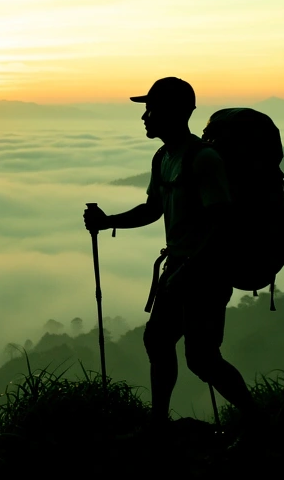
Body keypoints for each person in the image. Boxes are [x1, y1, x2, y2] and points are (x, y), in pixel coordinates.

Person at [83, 77, 256, 423]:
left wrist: (189, 268)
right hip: (179, 269)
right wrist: (107, 221)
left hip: (205, 273)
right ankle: (159, 422)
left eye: (152, 109)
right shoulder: (164, 156)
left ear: (175, 113)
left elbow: (222, 222)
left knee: (201, 358)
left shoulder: (203, 159)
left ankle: (258, 421)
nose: (145, 116)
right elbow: (153, 209)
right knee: (159, 341)